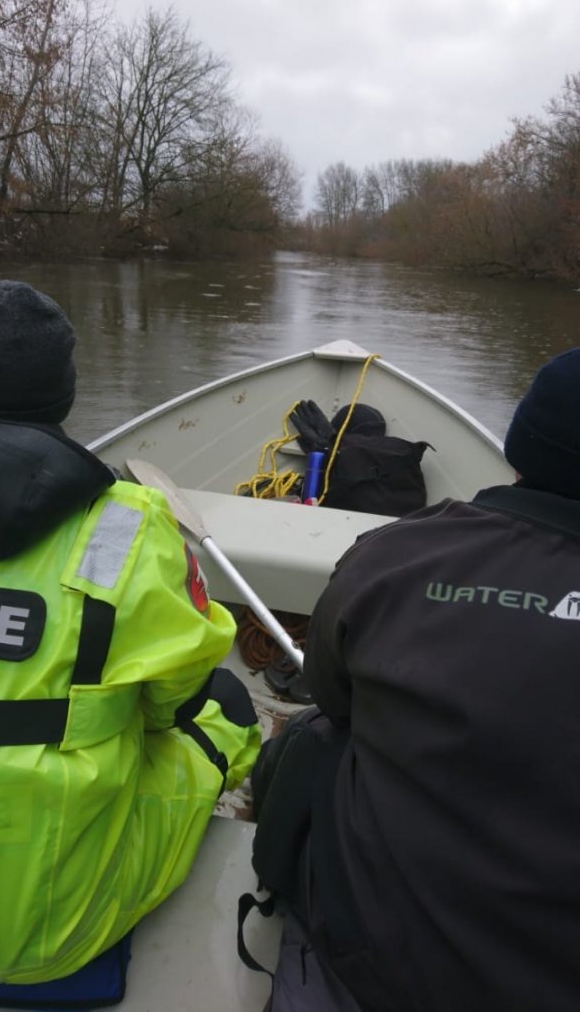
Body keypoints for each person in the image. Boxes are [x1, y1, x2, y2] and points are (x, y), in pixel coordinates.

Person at [0, 280, 261, 990]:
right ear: (63, 397)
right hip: (47, 936)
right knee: (227, 703)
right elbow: (172, 705)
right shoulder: (127, 525)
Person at [250, 347, 580, 1012]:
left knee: (315, 735)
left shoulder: (395, 552)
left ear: (520, 450)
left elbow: (330, 692)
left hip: (372, 971)